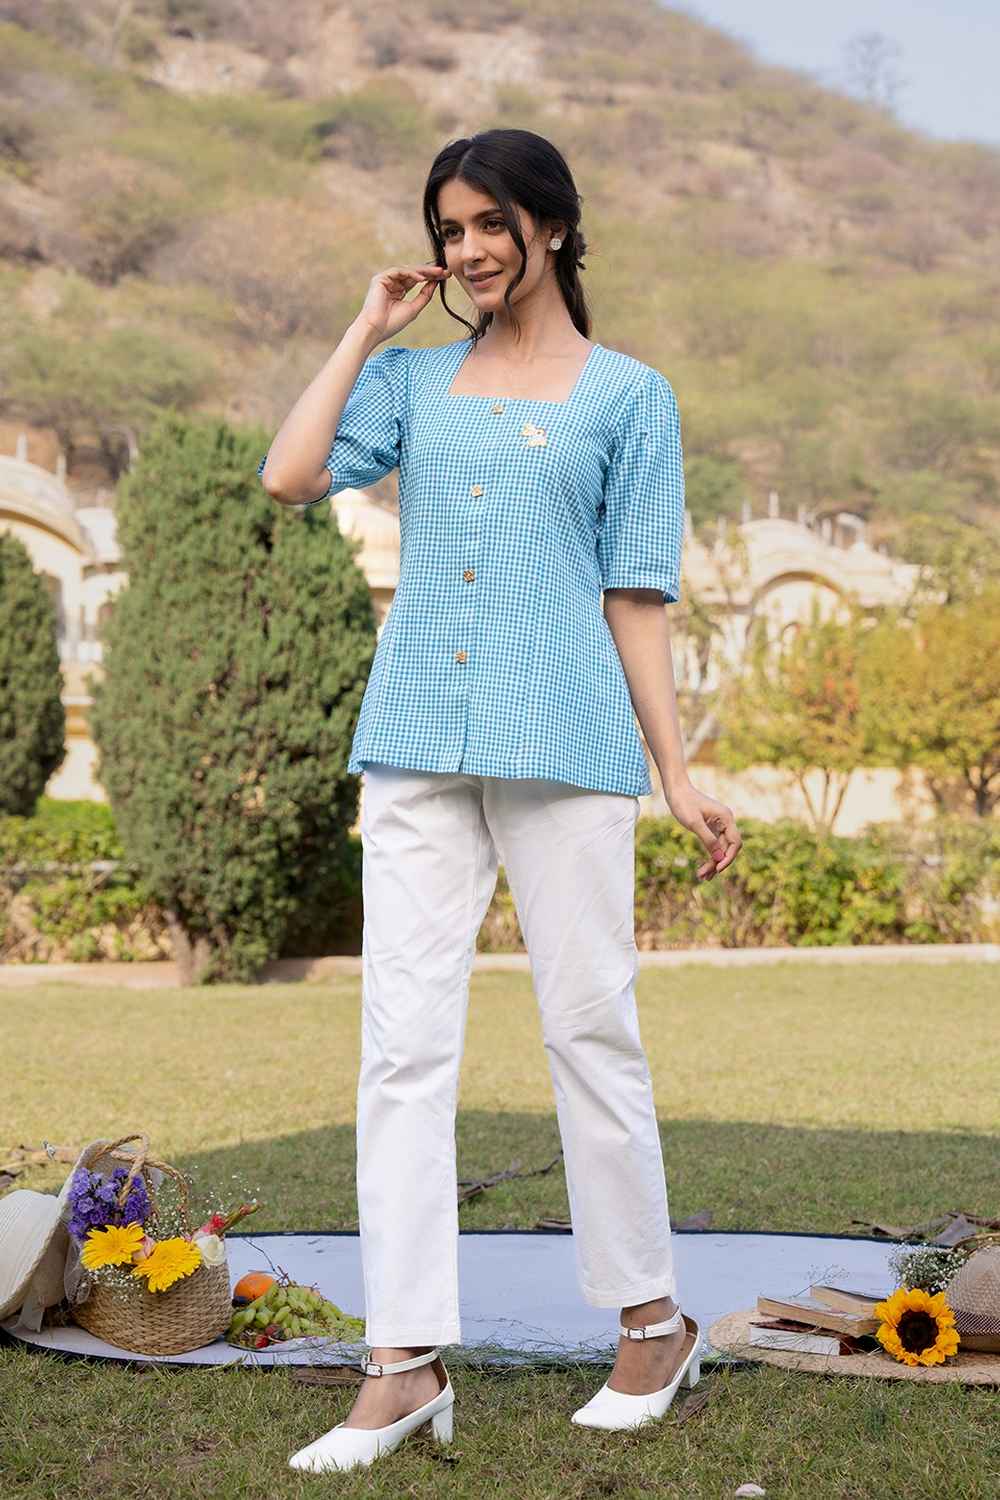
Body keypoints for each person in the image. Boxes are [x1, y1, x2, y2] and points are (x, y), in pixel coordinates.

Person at [258, 127, 742, 1474]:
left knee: (591, 1032)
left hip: (568, 744)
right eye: (449, 228)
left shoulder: (631, 397)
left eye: (489, 224)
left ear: (553, 227)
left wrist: (676, 773)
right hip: (418, 740)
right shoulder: (411, 380)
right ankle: (401, 1363)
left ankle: (653, 1326)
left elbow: (636, 594)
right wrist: (364, 329)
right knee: (401, 1049)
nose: (468, 250)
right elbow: (290, 476)